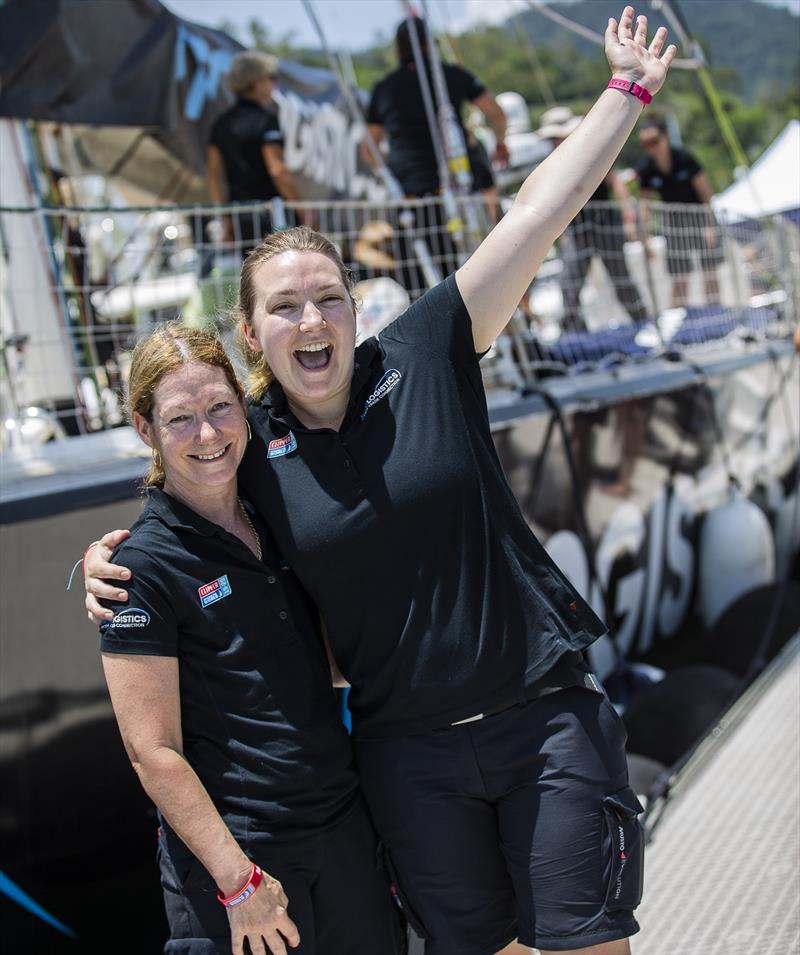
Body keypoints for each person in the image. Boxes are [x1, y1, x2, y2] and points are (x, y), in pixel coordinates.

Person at [86, 9, 676, 954]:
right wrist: (105, 557)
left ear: (355, 311)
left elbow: (534, 214)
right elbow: (194, 518)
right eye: (285, 306)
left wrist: (625, 93)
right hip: (409, 753)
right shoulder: (251, 445)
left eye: (329, 297)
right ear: (253, 336)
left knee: (586, 944)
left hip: (543, 715)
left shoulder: (428, 352)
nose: (311, 318)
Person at [97, 325, 403, 955]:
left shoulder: (279, 518)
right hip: (244, 870)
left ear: (243, 406)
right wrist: (239, 883)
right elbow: (151, 750)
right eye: (180, 418)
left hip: (344, 840)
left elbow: (327, 663)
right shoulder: (142, 568)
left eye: (219, 407)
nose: (208, 435)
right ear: (143, 429)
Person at [362, 17, 509, 291]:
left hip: (413, 191)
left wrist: (387, 178)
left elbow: (369, 149)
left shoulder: (385, 88)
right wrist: (499, 144)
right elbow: (496, 114)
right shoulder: (451, 75)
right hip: (461, 184)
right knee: (489, 258)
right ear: (430, 43)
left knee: (434, 273)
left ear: (398, 49)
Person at [535, 106, 649, 331]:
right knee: (570, 282)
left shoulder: (593, 152)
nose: (555, 142)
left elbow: (616, 183)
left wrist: (628, 218)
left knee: (621, 278)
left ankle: (643, 324)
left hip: (606, 224)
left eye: (557, 137)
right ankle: (575, 334)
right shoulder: (554, 162)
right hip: (578, 230)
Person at [207, 51, 301, 255]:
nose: (274, 84)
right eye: (272, 78)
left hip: (239, 214)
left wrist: (225, 216)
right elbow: (277, 169)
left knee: (254, 276)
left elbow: (214, 175)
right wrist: (302, 208)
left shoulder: (220, 124)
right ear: (256, 82)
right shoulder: (266, 120)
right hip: (272, 213)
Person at [634, 114, 722, 307]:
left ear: (665, 137)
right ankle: (679, 319)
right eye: (645, 144)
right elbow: (645, 205)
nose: (651, 148)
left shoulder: (684, 158)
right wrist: (646, 237)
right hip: (673, 223)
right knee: (680, 276)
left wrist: (709, 225)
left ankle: (716, 314)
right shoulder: (646, 168)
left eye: (654, 141)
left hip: (699, 217)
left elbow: (705, 192)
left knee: (710, 272)